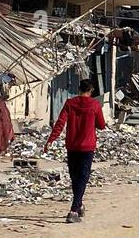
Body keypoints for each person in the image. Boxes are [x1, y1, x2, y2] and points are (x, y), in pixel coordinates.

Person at [45, 79, 107, 223]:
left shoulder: (70, 103)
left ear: (79, 89)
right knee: (83, 177)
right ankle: (73, 210)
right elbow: (102, 125)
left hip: (72, 146)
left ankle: (79, 205)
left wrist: (51, 140)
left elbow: (60, 123)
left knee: (75, 178)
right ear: (91, 91)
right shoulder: (95, 105)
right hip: (87, 147)